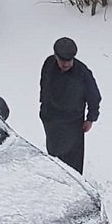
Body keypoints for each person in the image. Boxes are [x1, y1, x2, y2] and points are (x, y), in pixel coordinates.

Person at [39, 37, 101, 174]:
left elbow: (94, 97)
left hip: (72, 125)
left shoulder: (83, 74)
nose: (65, 64)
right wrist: (43, 106)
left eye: (69, 60)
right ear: (55, 56)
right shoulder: (49, 64)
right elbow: (44, 83)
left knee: (72, 163)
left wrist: (91, 119)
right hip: (51, 121)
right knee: (54, 157)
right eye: (62, 60)